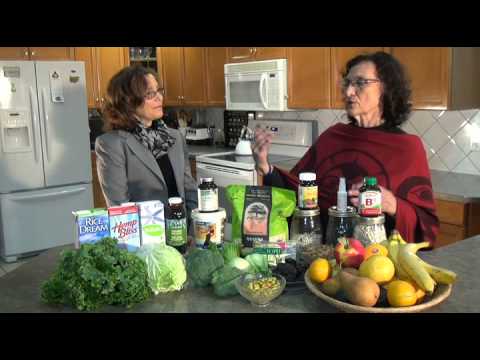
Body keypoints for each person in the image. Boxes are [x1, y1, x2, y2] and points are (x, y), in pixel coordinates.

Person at [253, 51, 439, 246]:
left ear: (386, 88)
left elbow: (426, 225)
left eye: (360, 83)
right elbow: (299, 190)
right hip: (320, 256)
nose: (349, 92)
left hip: (374, 264)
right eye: (347, 83)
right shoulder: (333, 137)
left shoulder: (408, 148)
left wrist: (392, 204)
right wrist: (266, 167)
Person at [95, 65, 197, 219]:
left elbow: (190, 191)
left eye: (159, 91)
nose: (159, 98)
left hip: (182, 233)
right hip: (146, 238)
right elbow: (120, 208)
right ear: (128, 101)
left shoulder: (174, 137)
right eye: (150, 94)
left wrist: (192, 231)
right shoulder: (112, 144)